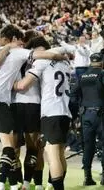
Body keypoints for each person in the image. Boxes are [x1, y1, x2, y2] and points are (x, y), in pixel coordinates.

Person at [0, 24, 69, 190]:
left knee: (15, 147)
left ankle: (14, 183)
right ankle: (31, 183)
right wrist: (59, 54)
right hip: (34, 104)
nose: (22, 44)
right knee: (33, 148)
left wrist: (6, 84)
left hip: (12, 102)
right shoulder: (27, 55)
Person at [13, 39, 73, 190]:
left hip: (51, 112)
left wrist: (6, 83)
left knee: (51, 154)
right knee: (59, 153)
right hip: (65, 111)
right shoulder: (65, 64)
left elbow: (23, 85)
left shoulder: (43, 62)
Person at [71, 53, 104, 186]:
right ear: (101, 63)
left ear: (90, 62)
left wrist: (76, 113)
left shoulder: (82, 76)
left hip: (85, 115)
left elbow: (73, 94)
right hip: (99, 115)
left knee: (88, 146)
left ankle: (87, 177)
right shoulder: (102, 74)